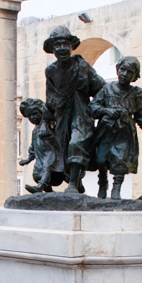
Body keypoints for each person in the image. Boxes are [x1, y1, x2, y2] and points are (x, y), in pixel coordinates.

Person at [43, 26, 105, 194]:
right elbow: (49, 98)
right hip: (62, 114)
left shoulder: (82, 65)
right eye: (57, 45)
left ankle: (72, 184)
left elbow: (101, 88)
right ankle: (75, 181)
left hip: (81, 112)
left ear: (71, 46)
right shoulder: (51, 71)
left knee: (76, 143)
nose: (62, 48)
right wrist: (47, 116)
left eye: (65, 44)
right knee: (63, 148)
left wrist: (95, 107)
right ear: (53, 49)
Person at [89, 56, 142, 199]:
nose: (125, 74)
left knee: (120, 160)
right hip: (105, 131)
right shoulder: (107, 89)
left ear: (135, 76)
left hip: (124, 133)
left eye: (130, 72)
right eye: (123, 70)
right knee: (101, 159)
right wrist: (106, 111)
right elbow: (93, 107)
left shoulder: (135, 94)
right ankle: (103, 183)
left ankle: (116, 189)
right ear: (117, 69)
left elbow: (141, 114)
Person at [18, 98, 64, 193]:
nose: (32, 118)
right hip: (40, 157)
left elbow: (58, 138)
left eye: (35, 114)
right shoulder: (35, 130)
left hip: (51, 154)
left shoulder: (49, 125)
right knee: (37, 173)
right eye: (29, 116)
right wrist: (28, 159)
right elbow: (33, 147)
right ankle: (48, 192)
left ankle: (39, 187)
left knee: (47, 167)